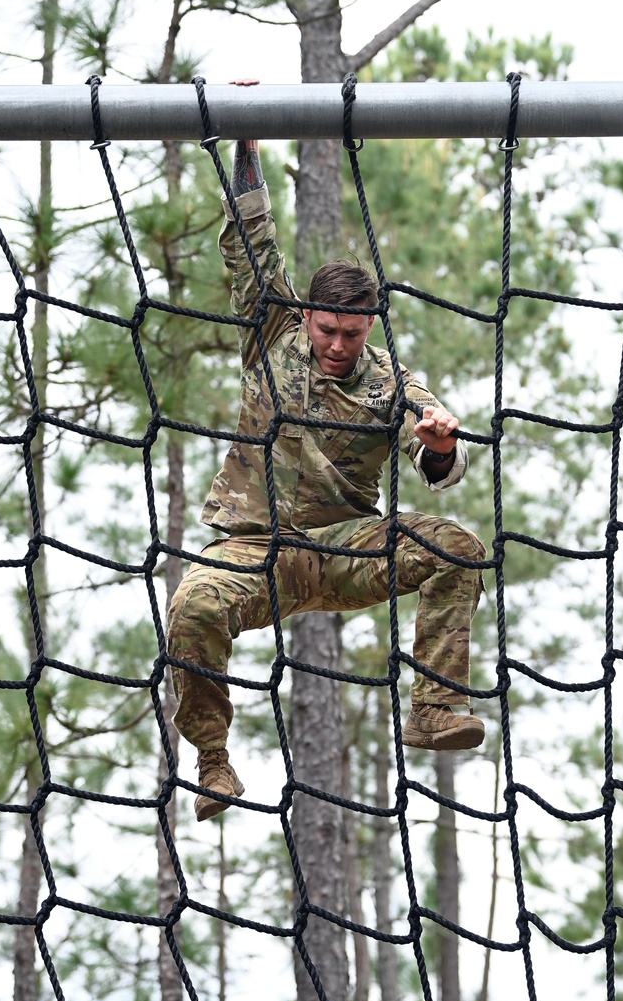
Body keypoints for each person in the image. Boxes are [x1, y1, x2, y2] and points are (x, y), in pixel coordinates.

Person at [168, 133, 486, 821]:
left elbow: (441, 460)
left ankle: (434, 706)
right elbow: (248, 238)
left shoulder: (390, 383)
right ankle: (213, 763)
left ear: (369, 325)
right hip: (255, 550)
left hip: (343, 549)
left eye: (352, 333)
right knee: (192, 604)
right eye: (327, 330)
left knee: (457, 548)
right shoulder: (272, 329)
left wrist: (436, 443)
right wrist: (246, 136)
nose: (338, 345)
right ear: (308, 316)